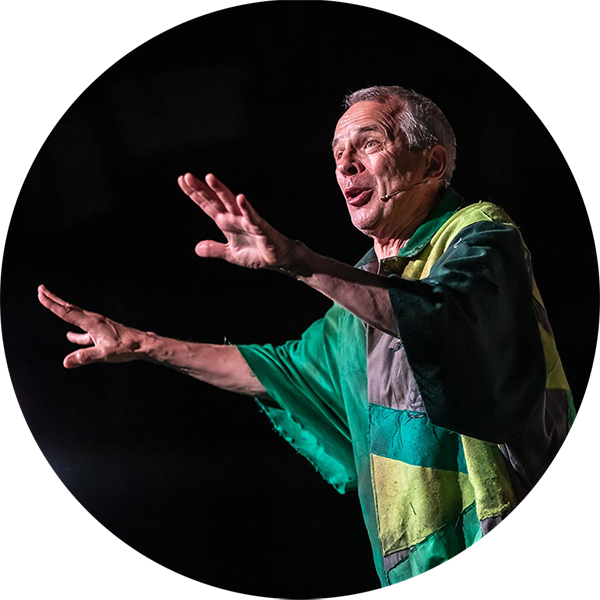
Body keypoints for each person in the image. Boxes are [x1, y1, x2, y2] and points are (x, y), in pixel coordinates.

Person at [38, 86, 574, 599]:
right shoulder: (355, 301)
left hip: (511, 550)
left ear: (433, 164)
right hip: (419, 573)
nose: (345, 166)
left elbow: (442, 319)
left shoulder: (478, 231)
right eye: (337, 153)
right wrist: (143, 345)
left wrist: (299, 261)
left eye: (369, 144)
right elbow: (276, 372)